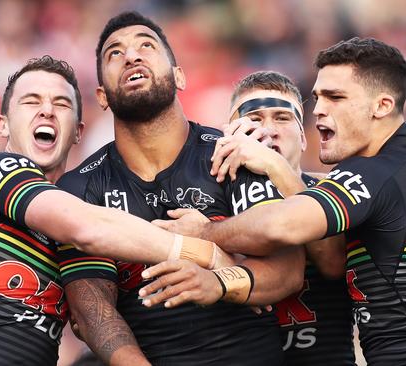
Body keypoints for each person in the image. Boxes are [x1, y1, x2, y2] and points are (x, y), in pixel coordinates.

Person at [150, 38, 406, 365]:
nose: (318, 109)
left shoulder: (371, 174)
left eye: (335, 97)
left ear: (382, 106)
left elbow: (283, 227)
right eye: (317, 98)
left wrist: (205, 231)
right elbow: (331, 255)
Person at [0, 55, 233, 366]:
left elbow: (94, 315)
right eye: (31, 101)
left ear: (78, 131)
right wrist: (201, 251)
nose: (47, 110)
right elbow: (83, 227)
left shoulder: (88, 207)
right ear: (3, 125)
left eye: (61, 104)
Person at [57, 11, 305, 366]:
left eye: (147, 45)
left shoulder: (234, 153)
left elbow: (288, 271)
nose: (131, 56)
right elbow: (91, 311)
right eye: (115, 53)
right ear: (101, 96)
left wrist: (217, 282)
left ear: (179, 76)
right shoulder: (80, 186)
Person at [142, 70, 356, 365]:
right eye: (254, 119)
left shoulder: (336, 189)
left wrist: (273, 165)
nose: (268, 131)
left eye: (282, 118)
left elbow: (333, 260)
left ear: (304, 138)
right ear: (228, 133)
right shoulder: (201, 200)